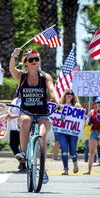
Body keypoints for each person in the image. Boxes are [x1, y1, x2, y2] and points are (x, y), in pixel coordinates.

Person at [9, 48, 62, 184]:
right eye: (30, 60)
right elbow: (12, 70)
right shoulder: (22, 76)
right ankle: (25, 154)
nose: (34, 62)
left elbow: (51, 90)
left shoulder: (45, 77)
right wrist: (13, 57)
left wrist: (58, 102)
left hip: (43, 112)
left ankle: (43, 168)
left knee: (42, 134)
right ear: (25, 62)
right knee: (25, 122)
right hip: (27, 111)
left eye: (36, 59)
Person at [55, 88, 82, 175]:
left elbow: (80, 117)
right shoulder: (60, 105)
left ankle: (75, 163)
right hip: (62, 131)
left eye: (71, 94)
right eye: (68, 93)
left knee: (73, 150)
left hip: (73, 132)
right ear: (65, 95)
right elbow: (55, 115)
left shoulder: (77, 106)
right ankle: (66, 169)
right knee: (64, 150)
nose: (69, 95)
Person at [6, 89, 25, 171]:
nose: (19, 93)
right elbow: (9, 109)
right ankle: (21, 161)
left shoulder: (25, 101)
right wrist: (9, 113)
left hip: (22, 128)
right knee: (13, 145)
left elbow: (23, 113)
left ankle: (23, 164)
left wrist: (13, 116)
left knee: (22, 147)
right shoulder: (14, 100)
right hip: (14, 128)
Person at [84, 96, 100, 175]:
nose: (99, 104)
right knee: (91, 152)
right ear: (95, 104)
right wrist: (88, 118)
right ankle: (89, 170)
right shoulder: (92, 112)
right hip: (93, 132)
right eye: (97, 103)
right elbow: (87, 124)